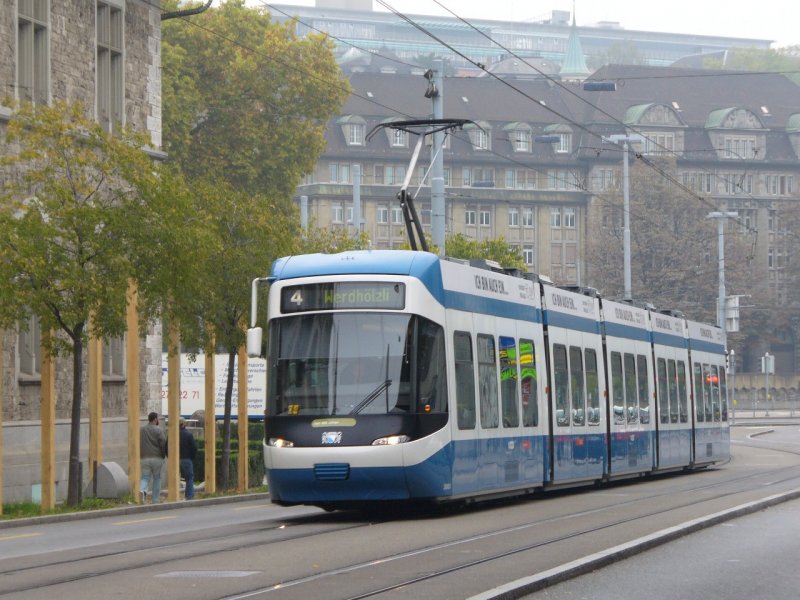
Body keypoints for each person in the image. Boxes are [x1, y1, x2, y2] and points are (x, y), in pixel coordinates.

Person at [167, 417, 198, 500]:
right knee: (189, 477)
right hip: (186, 458)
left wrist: (169, 457)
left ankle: (173, 496)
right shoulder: (188, 435)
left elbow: (167, 447)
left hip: (174, 459)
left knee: (174, 477)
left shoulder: (171, 434)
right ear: (184, 424)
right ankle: (189, 496)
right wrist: (192, 457)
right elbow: (194, 447)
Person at [140, 411, 166, 503]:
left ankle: (142, 490)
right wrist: (163, 455)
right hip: (157, 458)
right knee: (157, 479)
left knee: (145, 477)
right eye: (158, 418)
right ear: (155, 419)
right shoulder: (159, 430)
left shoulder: (142, 430)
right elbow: (163, 443)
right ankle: (155, 500)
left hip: (144, 458)